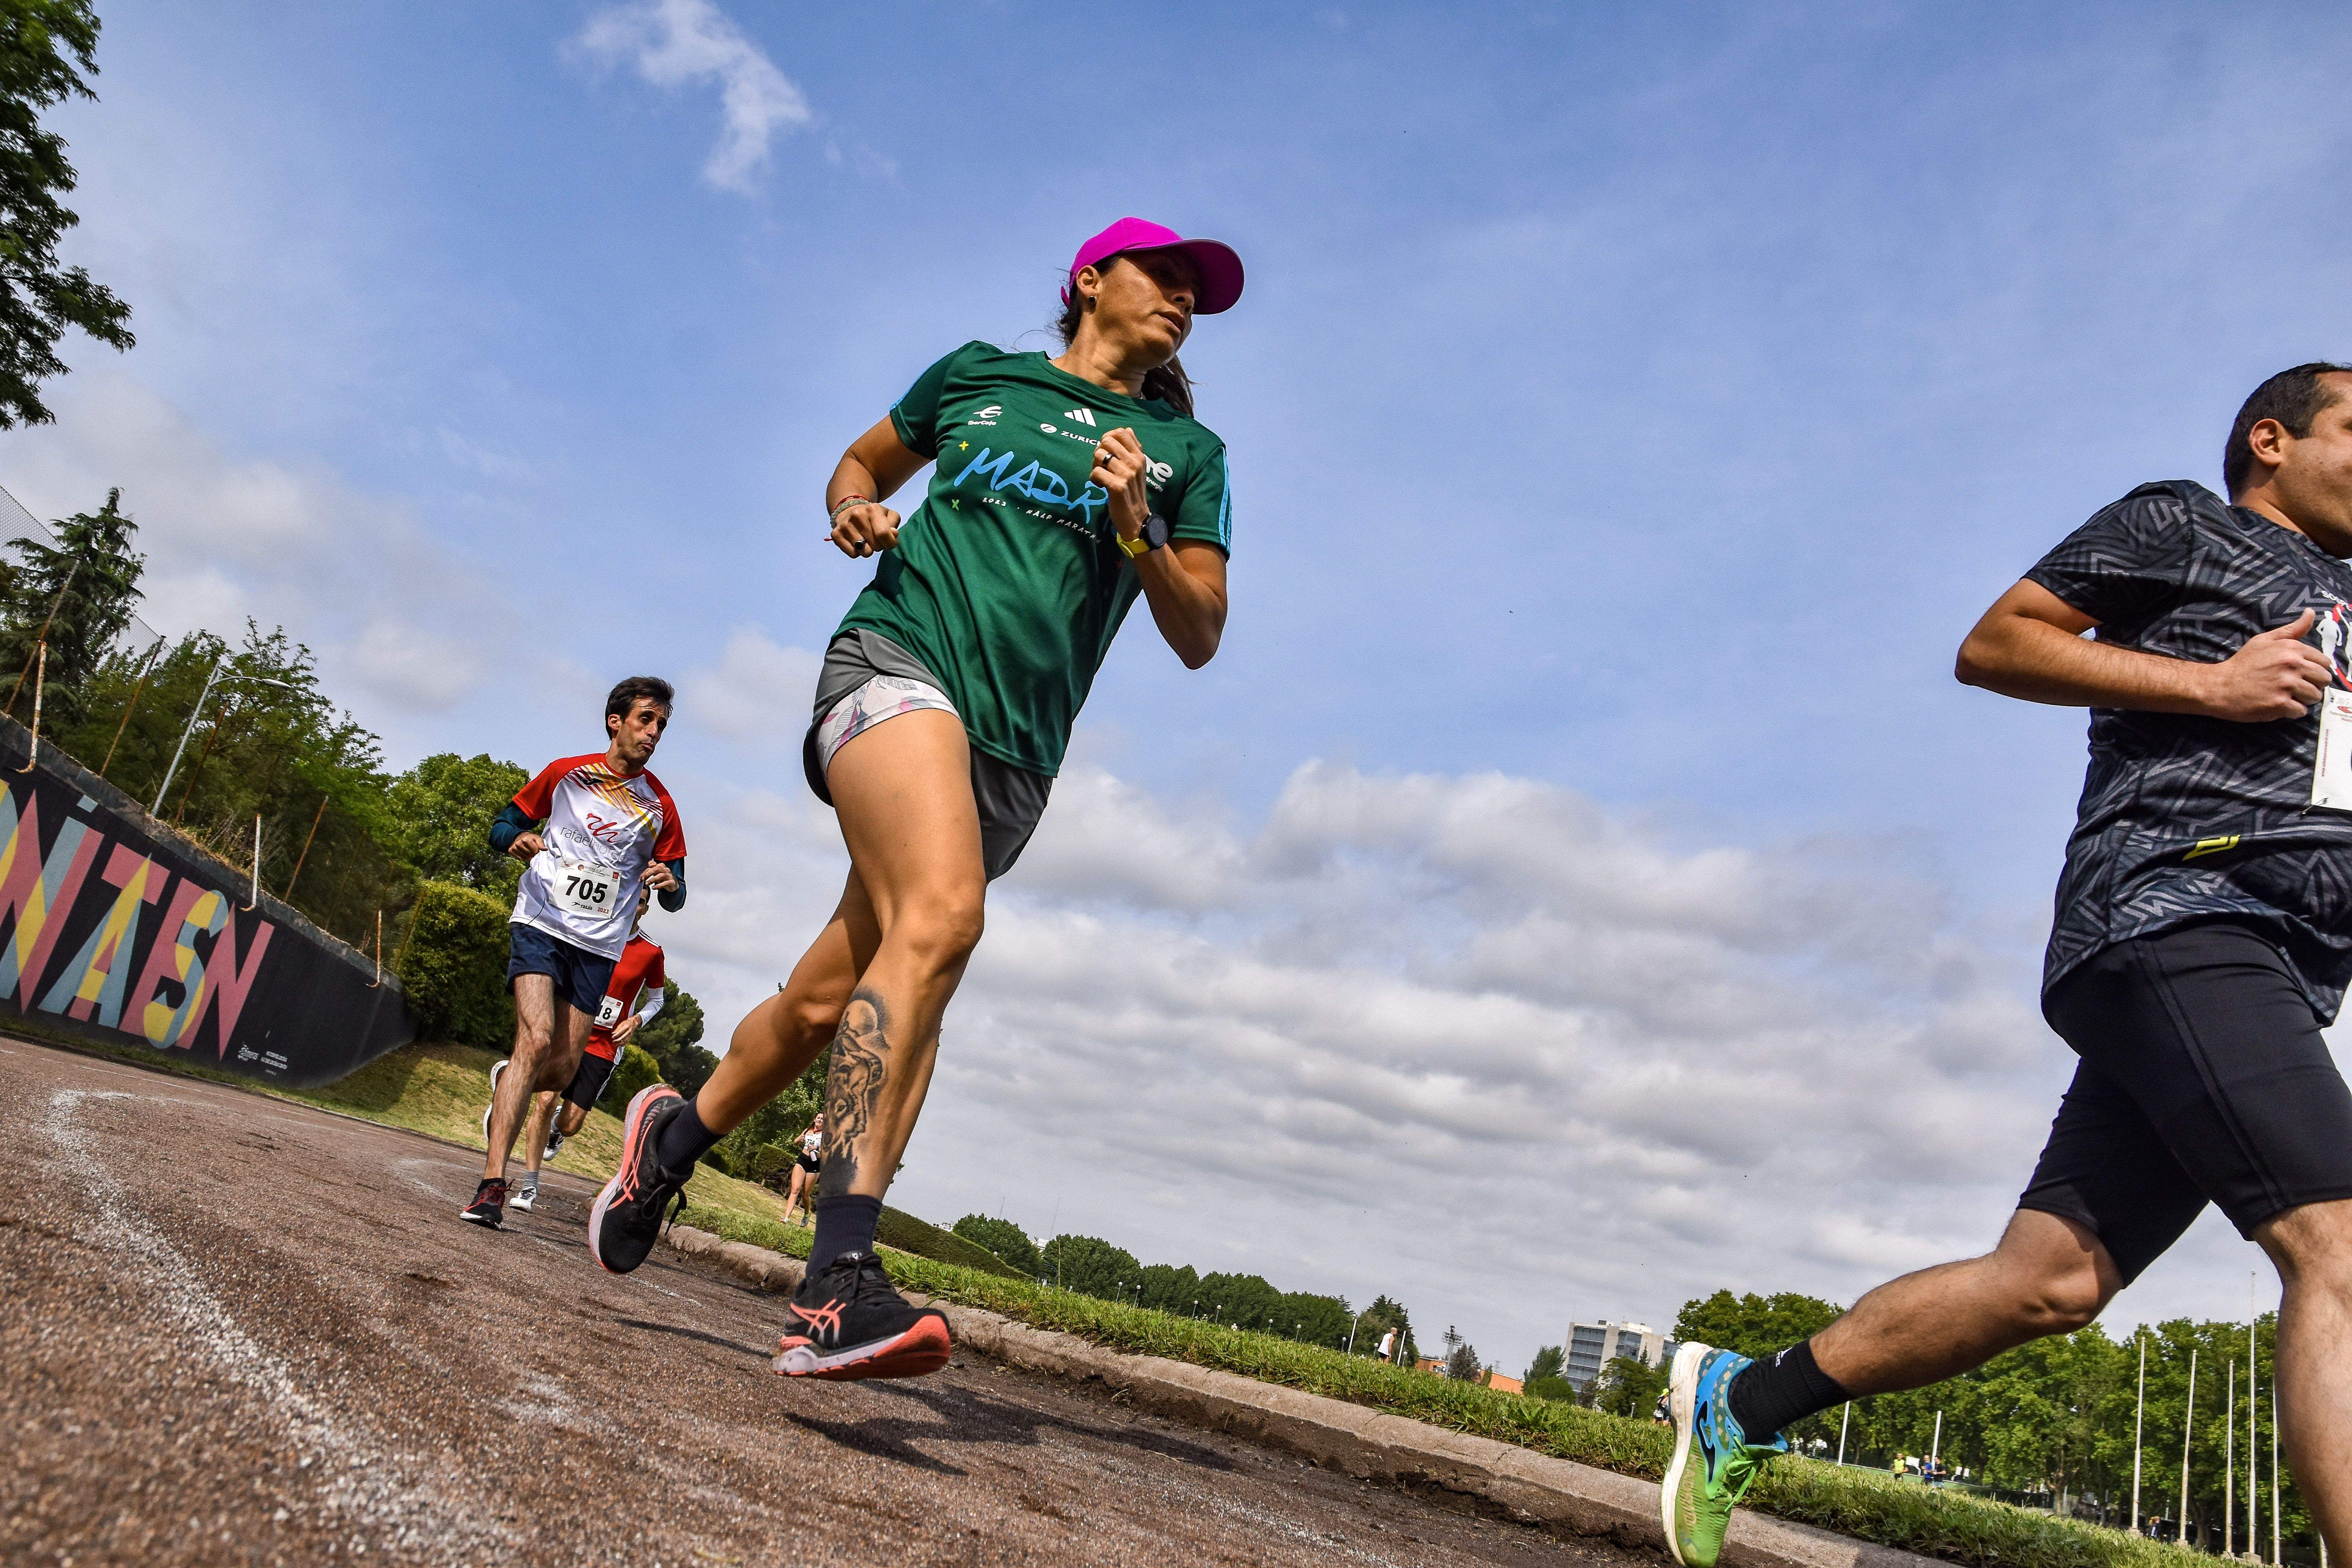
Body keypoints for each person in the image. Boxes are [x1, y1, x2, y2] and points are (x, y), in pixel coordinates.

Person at [1662, 363, 2352, 1566]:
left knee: (2046, 1284)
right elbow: (1995, 642)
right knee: (2338, 1246)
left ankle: (1742, 1398)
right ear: (2271, 439)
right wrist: (2214, 684)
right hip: (2180, 910)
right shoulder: (2181, 522)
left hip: (2282, 969)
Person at [585, 216, 1242, 1383]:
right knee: (941, 918)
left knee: (833, 999)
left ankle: (668, 1144)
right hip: (894, 660)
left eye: (1201, 289)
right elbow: (861, 464)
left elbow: (1200, 632)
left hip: (1015, 751)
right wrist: (853, 508)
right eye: (1168, 273)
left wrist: (1139, 532)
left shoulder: (1187, 453)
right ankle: (837, 1279)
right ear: (1092, 279)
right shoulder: (978, 377)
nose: (1186, 296)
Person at [460, 677, 687, 1228]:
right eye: (646, 719)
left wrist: (670, 883)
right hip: (542, 920)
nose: (654, 732)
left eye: (662, 725)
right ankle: (492, 1186)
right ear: (616, 721)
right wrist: (515, 839)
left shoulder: (660, 805)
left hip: (598, 945)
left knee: (560, 1070)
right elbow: (502, 825)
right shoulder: (566, 774)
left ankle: (511, 1079)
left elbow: (678, 890)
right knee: (536, 1038)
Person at [511, 908, 669, 1212]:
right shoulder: (591, 932)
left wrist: (636, 1021)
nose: (636, 906)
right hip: (569, 1030)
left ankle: (556, 1128)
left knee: (571, 1124)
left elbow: (657, 1000)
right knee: (545, 1101)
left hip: (605, 1045)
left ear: (645, 909)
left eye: (642, 902)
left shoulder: (651, 952)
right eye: (634, 899)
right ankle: (529, 1187)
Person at [779, 1112, 823, 1227]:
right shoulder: (808, 1130)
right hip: (802, 1161)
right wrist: (798, 1139)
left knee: (805, 1194)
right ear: (814, 1120)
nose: (820, 1120)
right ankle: (786, 1218)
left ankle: (807, 1214)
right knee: (795, 1190)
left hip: (815, 1165)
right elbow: (796, 1143)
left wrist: (817, 1148)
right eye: (818, 1118)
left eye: (823, 1119)